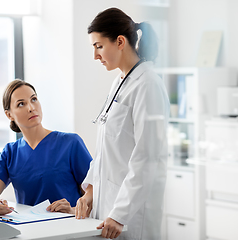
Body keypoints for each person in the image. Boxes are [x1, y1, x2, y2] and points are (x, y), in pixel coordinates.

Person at [75, 7, 170, 240]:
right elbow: (107, 150)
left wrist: (120, 214)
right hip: (107, 209)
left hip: (131, 216)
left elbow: (146, 157)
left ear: (119, 41)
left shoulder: (147, 84)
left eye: (98, 46)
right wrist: (90, 191)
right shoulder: (120, 81)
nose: (95, 55)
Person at [0, 79, 92, 216]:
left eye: (33, 99)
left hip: (69, 228)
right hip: (31, 231)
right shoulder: (10, 153)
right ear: (9, 115)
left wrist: (72, 211)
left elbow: (95, 192)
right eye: (21, 104)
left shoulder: (71, 143)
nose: (31, 108)